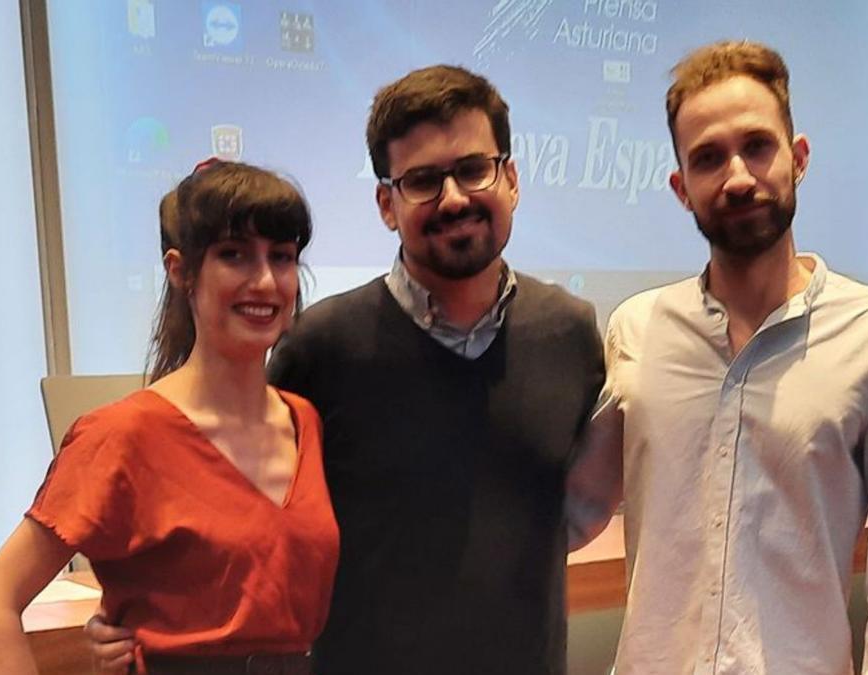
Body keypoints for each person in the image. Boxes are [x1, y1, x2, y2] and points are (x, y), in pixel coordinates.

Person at [88, 66, 619, 675]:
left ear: (512, 180)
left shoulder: (572, 334)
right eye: (421, 181)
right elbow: (233, 522)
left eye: (473, 169)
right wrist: (131, 609)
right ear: (386, 205)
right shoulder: (320, 348)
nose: (453, 198)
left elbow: (573, 511)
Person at [604, 41, 868, 674]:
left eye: (757, 147)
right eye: (708, 159)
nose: (737, 177)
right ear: (682, 188)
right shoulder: (636, 330)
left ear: (798, 159)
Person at [0, 161, 339, 674]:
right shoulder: (122, 435)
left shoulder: (305, 422)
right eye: (234, 256)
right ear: (180, 271)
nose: (265, 281)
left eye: (282, 257)